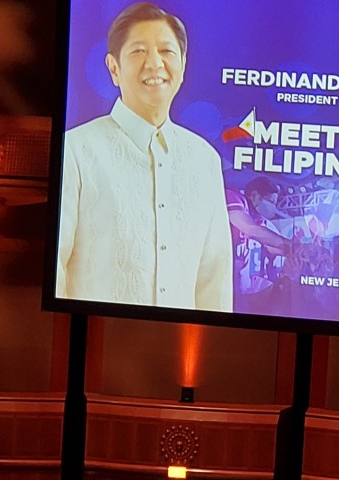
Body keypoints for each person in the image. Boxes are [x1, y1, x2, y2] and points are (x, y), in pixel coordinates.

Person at [56, 2, 232, 311]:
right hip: (96, 335)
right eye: (138, 51)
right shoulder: (75, 151)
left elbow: (213, 283)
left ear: (183, 65)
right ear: (113, 68)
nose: (154, 63)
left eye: (166, 51)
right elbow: (55, 268)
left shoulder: (205, 161)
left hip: (182, 341)